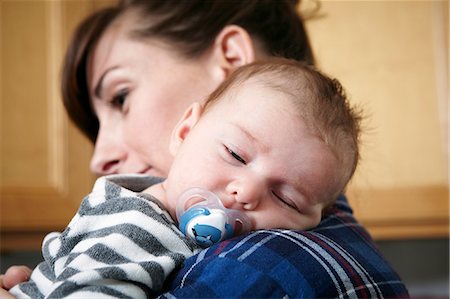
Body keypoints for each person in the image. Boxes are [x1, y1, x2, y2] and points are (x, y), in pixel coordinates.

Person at [1, 0, 410, 298]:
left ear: (231, 59)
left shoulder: (259, 266)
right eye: (235, 156)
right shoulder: (162, 231)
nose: (98, 157)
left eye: (121, 97)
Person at [9, 59, 362, 298]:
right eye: (236, 155)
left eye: (287, 199)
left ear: (318, 219)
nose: (245, 192)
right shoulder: (140, 227)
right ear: (185, 130)